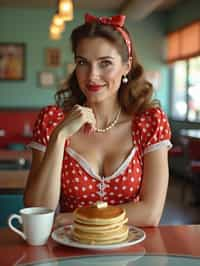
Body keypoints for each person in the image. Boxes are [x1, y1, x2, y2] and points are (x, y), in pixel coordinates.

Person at [24, 13, 172, 227]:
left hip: (132, 253)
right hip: (68, 253)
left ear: (126, 66)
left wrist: (73, 218)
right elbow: (38, 209)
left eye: (105, 63)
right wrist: (60, 136)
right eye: (83, 62)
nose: (92, 75)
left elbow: (150, 214)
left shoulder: (149, 122)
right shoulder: (52, 120)